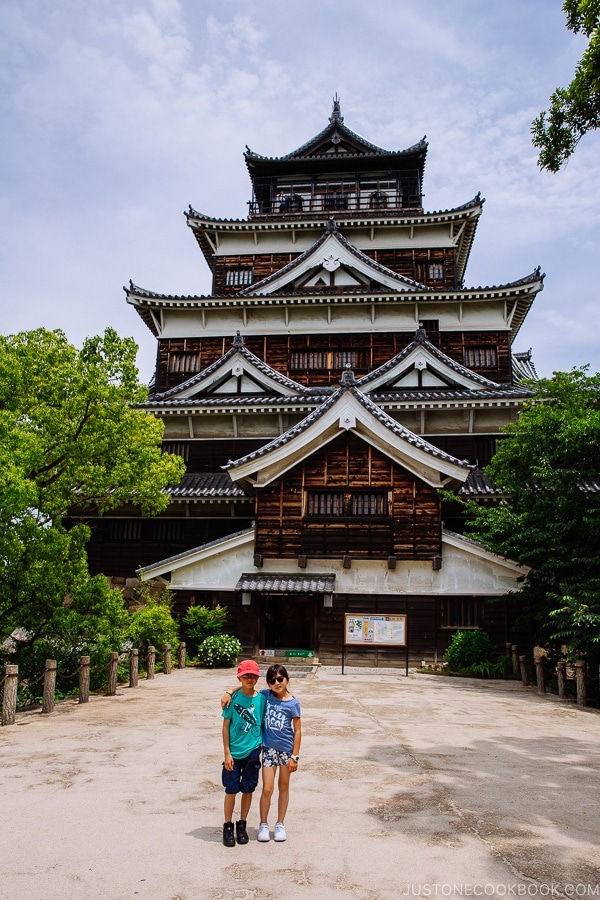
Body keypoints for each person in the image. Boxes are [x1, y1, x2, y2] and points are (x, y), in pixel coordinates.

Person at [222, 663, 301, 843]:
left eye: (280, 679)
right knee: (266, 788)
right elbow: (247, 688)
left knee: (282, 786)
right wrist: (229, 692)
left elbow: (298, 730)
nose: (276, 683)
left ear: (287, 679)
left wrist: (295, 755)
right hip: (267, 749)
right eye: (272, 680)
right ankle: (262, 823)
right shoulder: (266, 695)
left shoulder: (292, 703)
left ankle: (279, 823)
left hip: (286, 750)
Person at [221, 659, 266, 848]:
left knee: (248, 788)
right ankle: (228, 825)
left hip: (253, 750)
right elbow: (225, 726)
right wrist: (226, 753)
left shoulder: (262, 699)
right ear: (239, 677)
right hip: (234, 752)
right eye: (246, 675)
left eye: (253, 675)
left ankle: (242, 824)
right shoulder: (233, 699)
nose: (250, 679)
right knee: (231, 789)